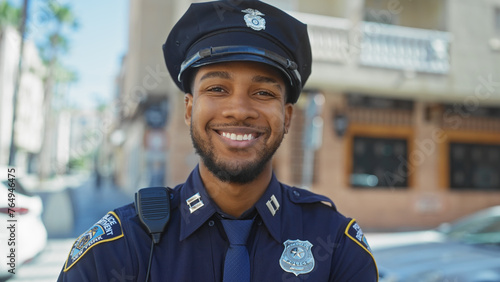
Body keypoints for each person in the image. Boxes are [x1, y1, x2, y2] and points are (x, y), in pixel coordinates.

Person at [57, 1, 378, 281]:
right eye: (217, 89)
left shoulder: (336, 246)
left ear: (288, 117)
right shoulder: (120, 247)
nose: (239, 110)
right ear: (189, 107)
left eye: (264, 93)